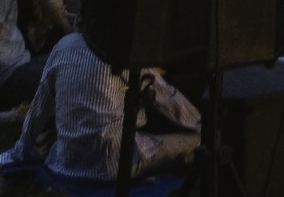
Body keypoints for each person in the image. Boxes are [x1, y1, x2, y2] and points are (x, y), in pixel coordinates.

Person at [15, 30, 201, 181]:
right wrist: (202, 126)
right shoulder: (122, 51)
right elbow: (168, 99)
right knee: (199, 143)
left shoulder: (63, 46)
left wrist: (20, 150)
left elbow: (39, 107)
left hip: (67, 162)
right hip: (114, 163)